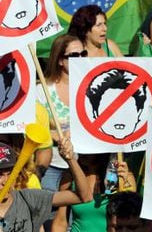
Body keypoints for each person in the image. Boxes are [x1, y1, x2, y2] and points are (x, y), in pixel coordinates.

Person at [36, 33, 87, 229]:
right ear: (59, 60)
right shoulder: (43, 91)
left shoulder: (89, 88)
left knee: (76, 220)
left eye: (82, 54)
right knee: (47, 216)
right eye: (73, 56)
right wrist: (53, 136)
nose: (80, 59)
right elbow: (30, 129)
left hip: (81, 165)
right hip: (52, 165)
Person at [0, 138, 91, 232]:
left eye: (10, 173)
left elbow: (84, 196)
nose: (6, 181)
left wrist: (71, 160)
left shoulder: (28, 198)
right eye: (0, 175)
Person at [52, 153, 136, 232]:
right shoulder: (70, 175)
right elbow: (60, 221)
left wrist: (122, 186)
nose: (83, 152)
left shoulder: (123, 177)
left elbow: (129, 220)